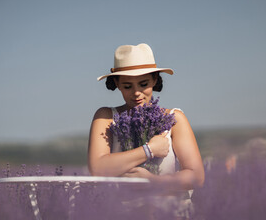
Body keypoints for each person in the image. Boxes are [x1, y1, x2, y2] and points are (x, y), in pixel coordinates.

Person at [88, 43, 205, 192]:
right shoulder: (106, 117)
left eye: (143, 84)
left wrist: (152, 181)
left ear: (155, 79)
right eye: (127, 86)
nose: (136, 93)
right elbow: (97, 168)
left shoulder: (174, 118)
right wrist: (149, 150)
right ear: (117, 84)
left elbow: (197, 177)